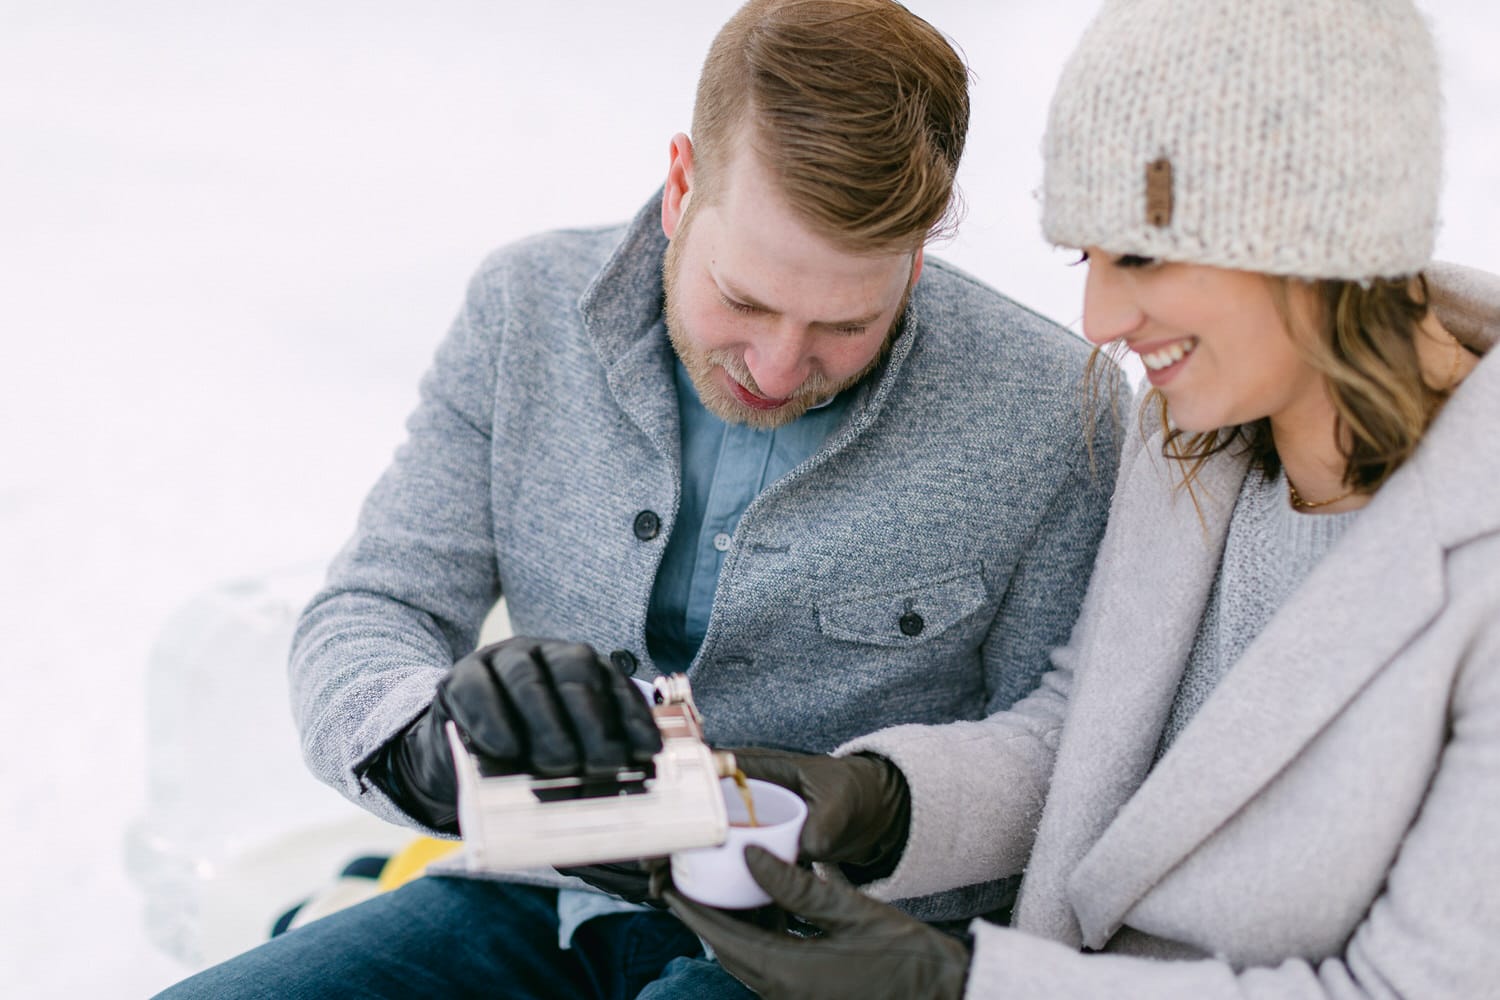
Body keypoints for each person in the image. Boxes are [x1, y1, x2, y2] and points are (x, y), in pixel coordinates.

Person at [154, 1, 1121, 997]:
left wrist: (881, 802)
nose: (782, 365)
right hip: (536, 893)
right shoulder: (521, 308)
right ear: (680, 184)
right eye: (743, 299)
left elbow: (1070, 738)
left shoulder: (1060, 408)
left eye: (846, 321)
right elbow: (375, 607)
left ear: (916, 259)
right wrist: (426, 747)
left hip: (836, 948)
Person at [663, 1, 1500, 997]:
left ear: (1321, 230)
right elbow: (1091, 743)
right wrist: (884, 801)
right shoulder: (1192, 445)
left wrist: (957, 983)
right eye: (1084, 259)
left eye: (1141, 254)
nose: (1099, 320)